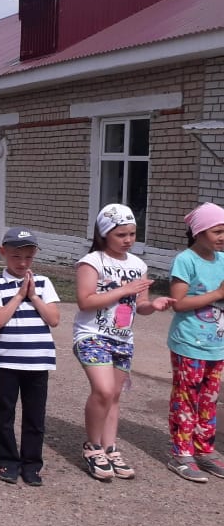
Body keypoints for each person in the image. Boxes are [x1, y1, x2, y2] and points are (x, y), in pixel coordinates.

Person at [72, 203, 173, 481]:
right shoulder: (92, 262)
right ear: (105, 234)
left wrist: (153, 305)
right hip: (92, 335)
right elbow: (85, 301)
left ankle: (109, 448)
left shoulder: (138, 265)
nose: (128, 240)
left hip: (122, 339)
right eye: (121, 234)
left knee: (114, 396)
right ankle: (93, 447)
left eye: (132, 234)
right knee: (103, 390)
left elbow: (140, 304)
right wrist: (124, 289)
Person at [0, 227, 60, 486]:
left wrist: (34, 296)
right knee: (3, 414)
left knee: (34, 416)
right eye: (16, 256)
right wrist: (19, 295)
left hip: (38, 361)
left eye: (29, 257)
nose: (23, 263)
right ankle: (7, 460)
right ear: (3, 253)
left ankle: (32, 464)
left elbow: (54, 319)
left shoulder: (44, 283)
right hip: (7, 361)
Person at [165, 202, 224, 482]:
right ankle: (181, 453)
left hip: (217, 345)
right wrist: (217, 294)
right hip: (189, 343)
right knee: (186, 398)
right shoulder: (185, 260)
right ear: (199, 232)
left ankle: (205, 450)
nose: (222, 237)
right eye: (217, 231)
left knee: (209, 400)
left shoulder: (223, 260)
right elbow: (178, 303)